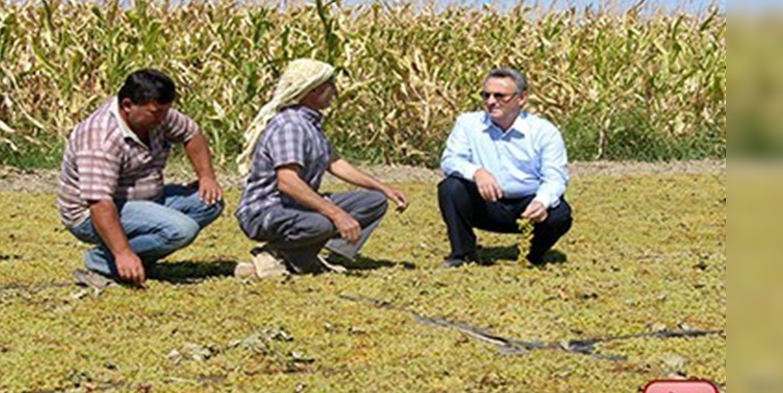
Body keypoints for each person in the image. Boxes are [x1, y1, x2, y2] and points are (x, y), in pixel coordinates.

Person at [233, 59, 409, 277]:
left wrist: (384, 189)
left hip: (297, 205)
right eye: (330, 86)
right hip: (267, 209)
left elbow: (335, 163)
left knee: (373, 202)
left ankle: (299, 256)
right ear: (313, 91)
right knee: (321, 223)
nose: (335, 92)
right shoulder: (291, 126)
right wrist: (337, 214)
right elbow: (287, 181)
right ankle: (277, 254)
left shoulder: (311, 125)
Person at [57, 69, 224, 287]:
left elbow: (190, 133)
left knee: (210, 202)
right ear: (127, 106)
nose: (164, 119)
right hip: (92, 214)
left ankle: (139, 259)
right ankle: (104, 260)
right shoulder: (101, 139)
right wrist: (123, 252)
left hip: (143, 199)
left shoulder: (155, 115)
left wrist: (207, 177)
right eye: (156, 113)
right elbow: (99, 203)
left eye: (166, 111)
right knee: (182, 229)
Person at [437, 67, 573, 267]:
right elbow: (450, 160)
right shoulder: (467, 123)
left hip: (527, 205)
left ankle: (532, 255)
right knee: (450, 188)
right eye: (486, 95)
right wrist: (477, 172)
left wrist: (541, 203)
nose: (491, 102)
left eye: (500, 96)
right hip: (486, 203)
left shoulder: (544, 132)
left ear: (521, 98)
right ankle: (463, 254)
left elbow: (555, 177)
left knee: (560, 213)